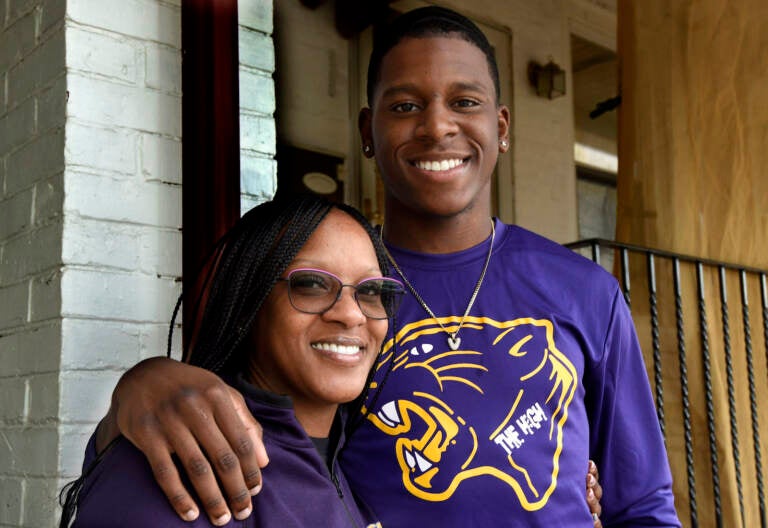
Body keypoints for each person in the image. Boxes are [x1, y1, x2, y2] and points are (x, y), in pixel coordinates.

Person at [88, 6, 674, 527]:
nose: (437, 125)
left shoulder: (585, 292)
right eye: (405, 105)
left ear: (500, 128)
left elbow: (642, 507)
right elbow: (225, 412)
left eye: (464, 102)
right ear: (368, 132)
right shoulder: (325, 300)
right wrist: (140, 386)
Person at [61, 194, 405, 527]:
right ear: (248, 305)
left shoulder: (356, 455)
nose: (351, 314)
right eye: (311, 284)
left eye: (371, 291)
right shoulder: (183, 468)